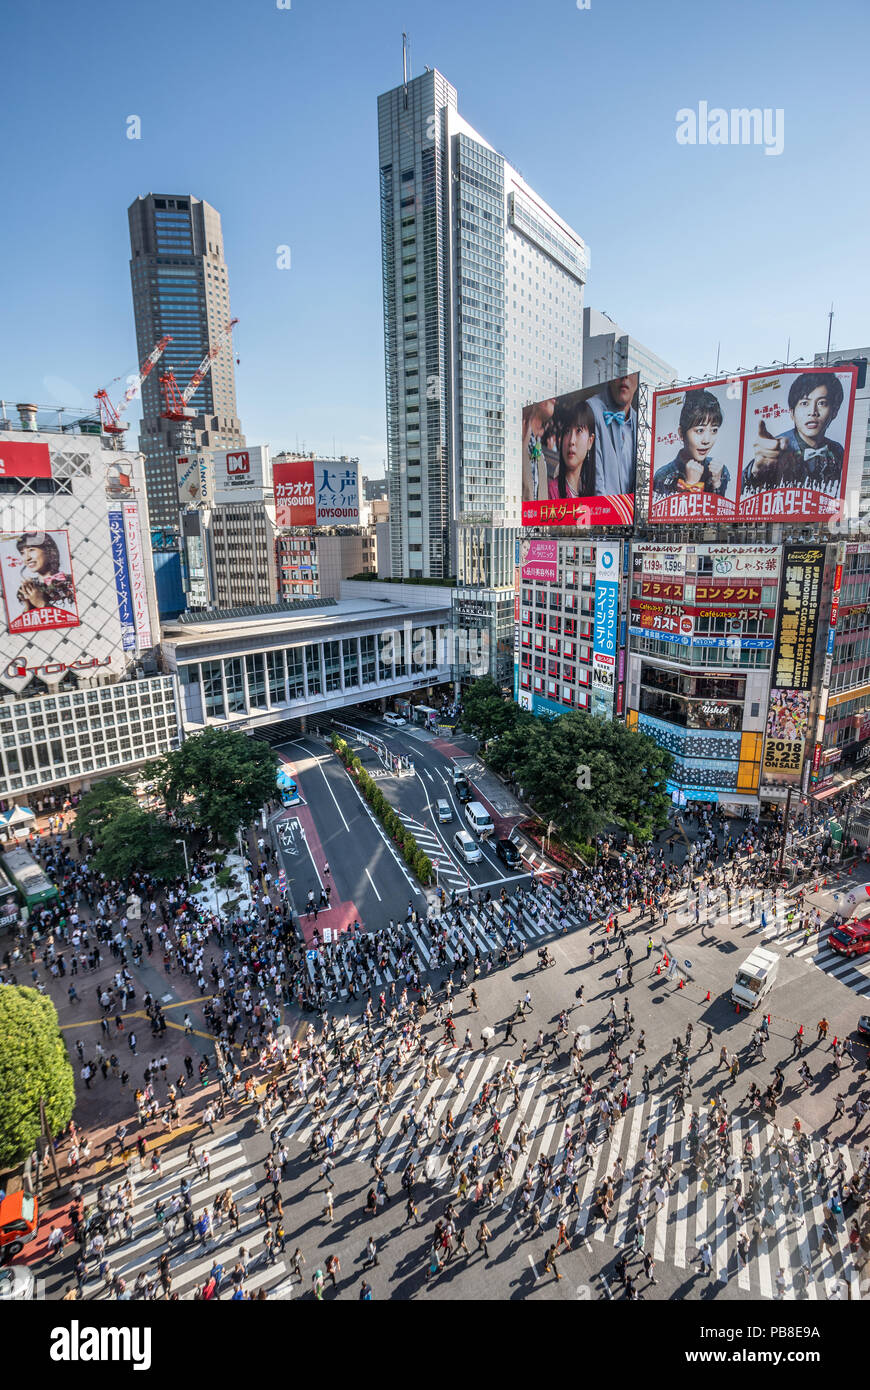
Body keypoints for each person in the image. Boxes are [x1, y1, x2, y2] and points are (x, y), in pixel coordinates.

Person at [742, 372, 846, 495]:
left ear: (834, 411)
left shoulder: (837, 450)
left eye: (821, 403)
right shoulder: (776, 448)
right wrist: (754, 471)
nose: (812, 412)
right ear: (792, 412)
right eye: (804, 403)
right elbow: (741, 493)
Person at [652, 389, 730, 500]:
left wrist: (717, 484)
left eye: (714, 430)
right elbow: (662, 514)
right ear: (681, 433)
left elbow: (722, 514)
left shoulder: (720, 472)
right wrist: (690, 484)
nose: (706, 440)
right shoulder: (664, 475)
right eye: (700, 430)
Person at [588, 375, 638, 497]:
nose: (625, 376)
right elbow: (596, 482)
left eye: (631, 371)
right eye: (619, 370)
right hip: (602, 511)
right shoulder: (592, 408)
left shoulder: (639, 422)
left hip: (628, 512)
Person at [548, 398, 596, 501]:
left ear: (590, 441)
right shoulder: (551, 491)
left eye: (579, 430)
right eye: (567, 431)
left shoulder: (591, 493)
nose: (571, 441)